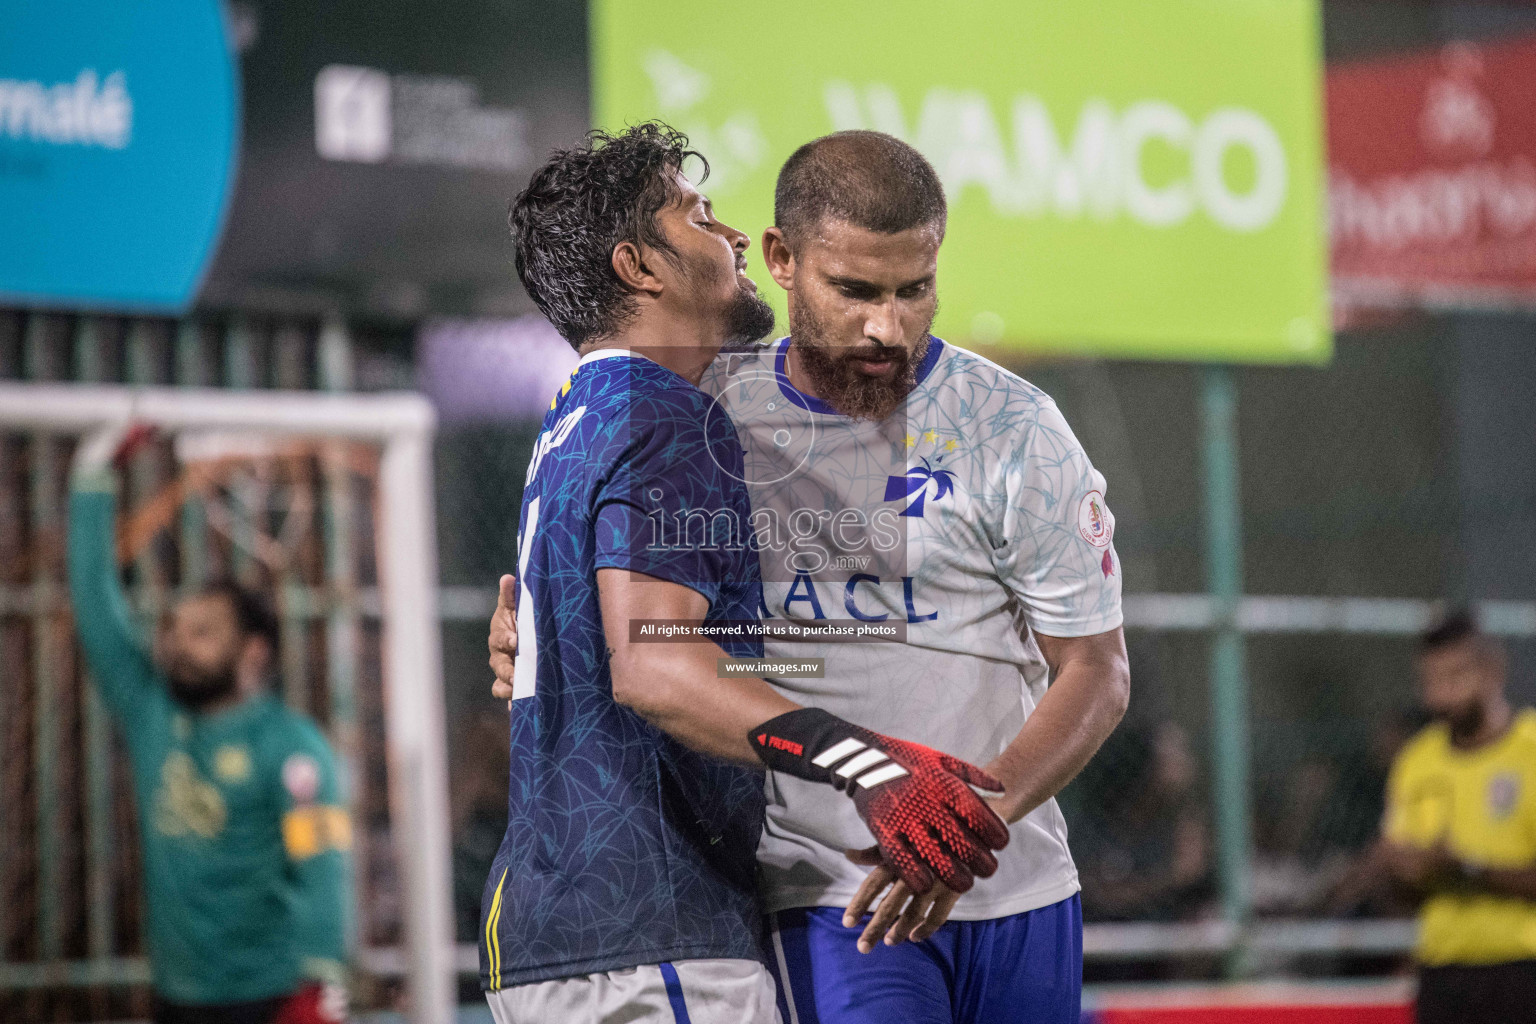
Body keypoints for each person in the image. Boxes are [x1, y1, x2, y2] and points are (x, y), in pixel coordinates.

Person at [493, 129, 1130, 1024]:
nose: (888, 324)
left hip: (1013, 879)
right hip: (826, 895)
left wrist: (966, 826)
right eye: (856, 291)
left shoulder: (1014, 425)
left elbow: (1096, 670)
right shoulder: (699, 403)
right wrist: (541, 626)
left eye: (915, 291)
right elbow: (643, 639)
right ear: (786, 260)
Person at [66, 426, 351, 1024]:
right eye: (175, 628)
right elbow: (95, 600)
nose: (174, 644)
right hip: (176, 996)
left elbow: (322, 866)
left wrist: (320, 978)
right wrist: (93, 476)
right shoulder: (153, 711)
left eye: (201, 633)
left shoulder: (292, 748)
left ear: (252, 655)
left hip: (271, 997)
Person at [1381, 609, 1536, 1024]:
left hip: (1524, 971)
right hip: (1444, 977)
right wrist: (1398, 871)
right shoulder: (1417, 761)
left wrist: (1465, 867)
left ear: (1492, 671)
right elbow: (1404, 895)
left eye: (1454, 678)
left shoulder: (1531, 750)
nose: (1440, 696)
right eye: (1430, 682)